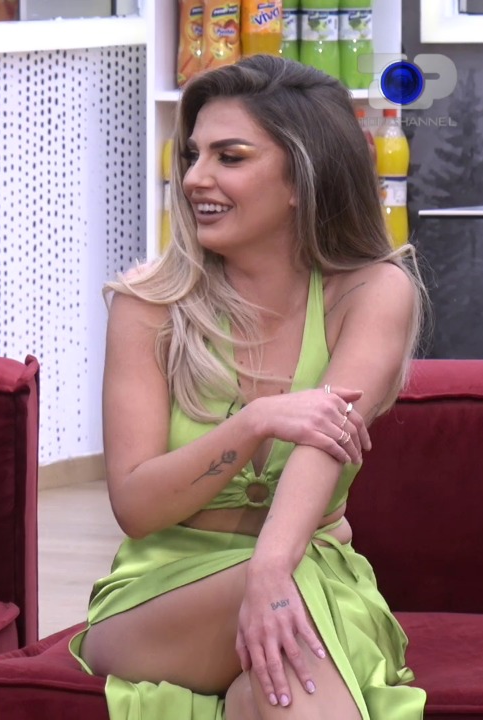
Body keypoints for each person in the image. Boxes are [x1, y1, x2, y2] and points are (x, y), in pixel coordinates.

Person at [70, 55, 428, 719]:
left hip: (308, 574)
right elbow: (137, 506)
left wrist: (269, 572)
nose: (195, 177)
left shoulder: (372, 292)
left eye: (229, 157)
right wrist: (255, 420)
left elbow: (320, 454)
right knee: (295, 617)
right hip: (161, 595)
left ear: (303, 176)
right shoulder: (149, 304)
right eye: (193, 154)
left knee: (276, 685)